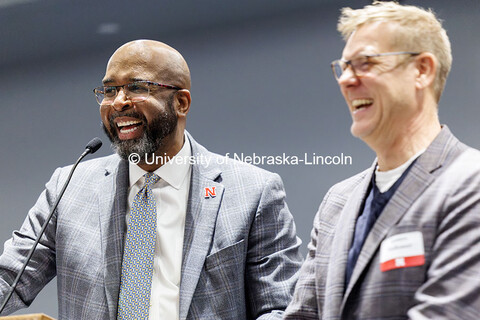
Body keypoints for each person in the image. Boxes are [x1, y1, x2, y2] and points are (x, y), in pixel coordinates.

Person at [0, 40, 303, 320]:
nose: (118, 102)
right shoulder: (68, 187)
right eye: (109, 91)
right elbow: (9, 278)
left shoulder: (253, 192)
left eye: (136, 87)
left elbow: (280, 308)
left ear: (181, 103)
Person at [285, 2, 480, 319]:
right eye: (344, 66)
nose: (346, 79)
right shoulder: (338, 201)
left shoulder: (470, 184)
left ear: (422, 70)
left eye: (365, 63)